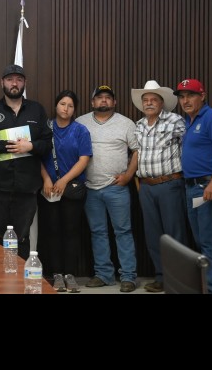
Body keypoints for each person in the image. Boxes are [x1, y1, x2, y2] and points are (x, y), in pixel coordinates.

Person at [0, 64, 51, 257]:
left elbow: (47, 144)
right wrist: (8, 145)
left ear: (25, 83)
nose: (14, 83)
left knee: (22, 238)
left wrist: (30, 147)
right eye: (10, 80)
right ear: (2, 83)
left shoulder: (36, 110)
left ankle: (19, 275)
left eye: (18, 79)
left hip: (27, 187)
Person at [76, 85, 139, 292]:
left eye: (108, 97)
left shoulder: (126, 124)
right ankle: (103, 274)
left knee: (123, 232)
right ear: (92, 102)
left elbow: (137, 151)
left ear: (114, 102)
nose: (104, 100)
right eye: (99, 97)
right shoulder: (80, 122)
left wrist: (128, 176)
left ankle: (128, 276)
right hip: (90, 188)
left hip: (116, 188)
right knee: (98, 232)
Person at [128, 80, 187, 293]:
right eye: (146, 100)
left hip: (169, 184)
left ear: (162, 103)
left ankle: (180, 280)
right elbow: (136, 155)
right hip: (146, 187)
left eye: (154, 99)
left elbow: (191, 145)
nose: (149, 103)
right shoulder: (139, 125)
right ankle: (161, 277)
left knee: (174, 234)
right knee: (153, 236)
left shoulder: (175, 121)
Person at [174, 78, 212, 294]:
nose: (185, 100)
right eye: (182, 96)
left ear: (202, 96)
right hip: (192, 188)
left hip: (207, 187)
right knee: (201, 241)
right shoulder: (188, 121)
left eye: (191, 95)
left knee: (209, 243)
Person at [37, 89, 92, 292]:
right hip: (49, 188)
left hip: (71, 189)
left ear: (74, 109)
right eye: (62, 104)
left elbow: (84, 159)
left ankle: (70, 274)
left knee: (71, 232)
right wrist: (46, 179)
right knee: (52, 231)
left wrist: (64, 181)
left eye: (70, 106)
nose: (66, 108)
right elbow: (37, 156)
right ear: (56, 105)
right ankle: (57, 274)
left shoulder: (80, 130)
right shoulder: (45, 128)